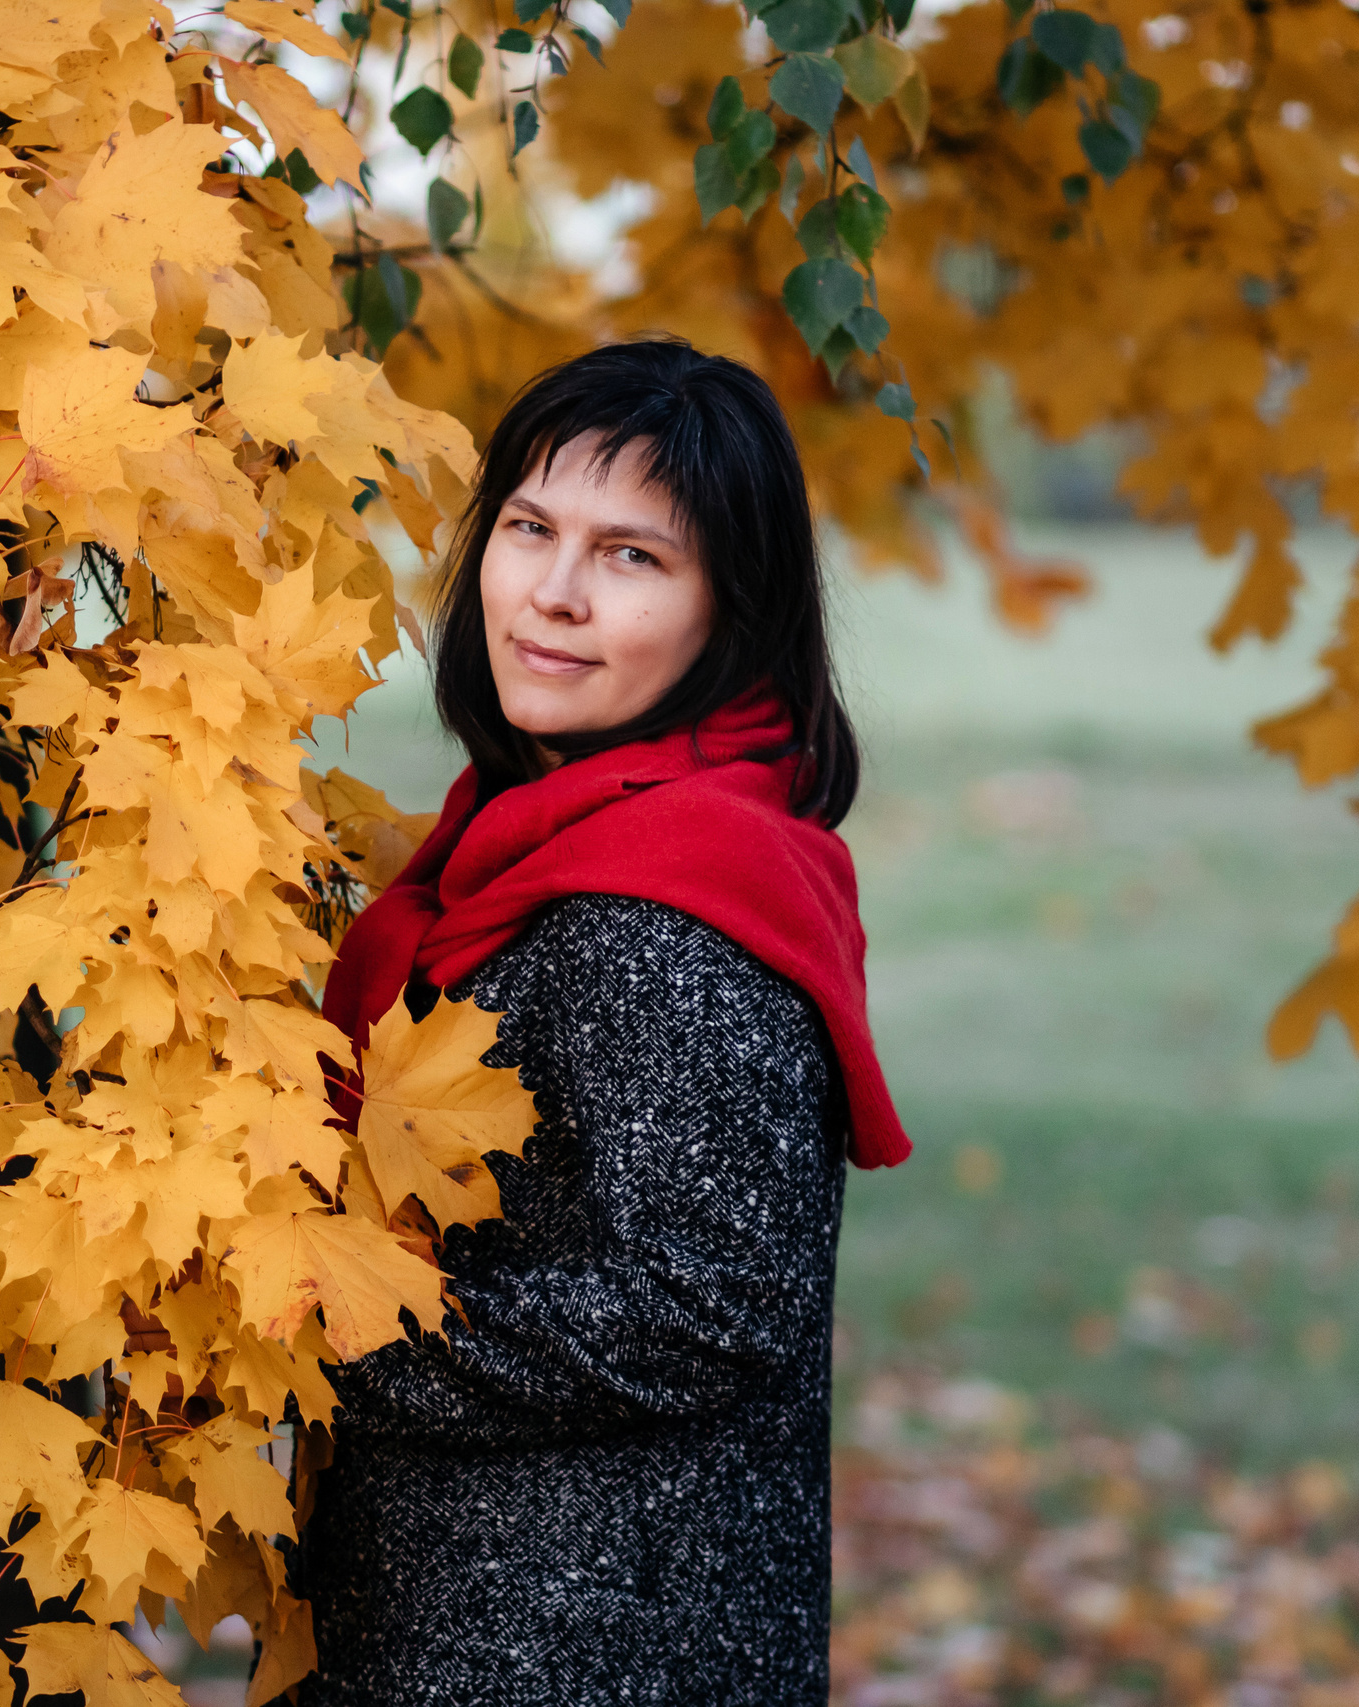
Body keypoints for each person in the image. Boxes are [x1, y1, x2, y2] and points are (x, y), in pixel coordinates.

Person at [299, 337, 912, 1704]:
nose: (556, 595)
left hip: (594, 1650)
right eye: (530, 529)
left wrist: (320, 1335)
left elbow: (705, 1308)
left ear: (728, 612)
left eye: (634, 556)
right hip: (479, 1623)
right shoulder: (516, 853)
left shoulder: (665, 910)